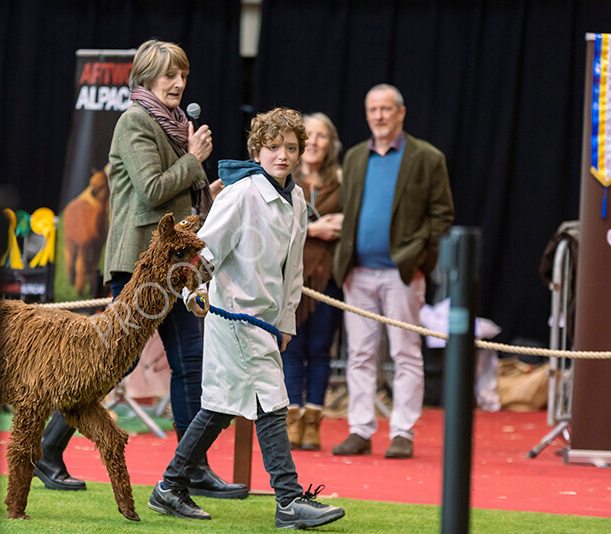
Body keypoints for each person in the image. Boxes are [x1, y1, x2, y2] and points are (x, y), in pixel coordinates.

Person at [35, 39, 247, 499]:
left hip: (171, 268)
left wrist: (205, 187)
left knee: (190, 363)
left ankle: (191, 467)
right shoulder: (134, 121)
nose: (178, 83)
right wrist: (194, 160)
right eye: (170, 74)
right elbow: (152, 191)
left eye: (183, 75)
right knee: (110, 362)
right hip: (138, 267)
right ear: (147, 77)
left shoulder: (173, 126)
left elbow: (172, 195)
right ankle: (44, 450)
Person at [147, 108, 345, 529]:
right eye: (274, 147)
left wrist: (287, 322)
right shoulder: (240, 194)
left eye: (291, 148)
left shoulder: (296, 199)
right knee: (273, 402)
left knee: (220, 407)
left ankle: (169, 486)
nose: (283, 155)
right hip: (233, 315)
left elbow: (294, 271)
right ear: (257, 149)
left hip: (264, 322)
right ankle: (289, 500)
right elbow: (204, 251)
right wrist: (191, 291)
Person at [331, 83, 454, 459]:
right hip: (358, 273)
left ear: (401, 112)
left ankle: (402, 431)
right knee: (360, 355)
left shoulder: (427, 157)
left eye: (386, 109)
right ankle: (360, 429)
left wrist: (417, 257)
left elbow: (442, 215)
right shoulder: (353, 157)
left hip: (403, 274)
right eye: (373, 110)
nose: (379, 116)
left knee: (405, 353)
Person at [280, 112, 344, 451]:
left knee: (320, 350)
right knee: (291, 349)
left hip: (327, 279)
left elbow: (357, 223)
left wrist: (347, 222)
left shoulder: (343, 180)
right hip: (293, 277)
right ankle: (292, 418)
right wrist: (316, 229)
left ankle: (313, 423)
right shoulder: (285, 177)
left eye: (322, 135)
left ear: (330, 143)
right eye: (310, 135)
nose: (315, 142)